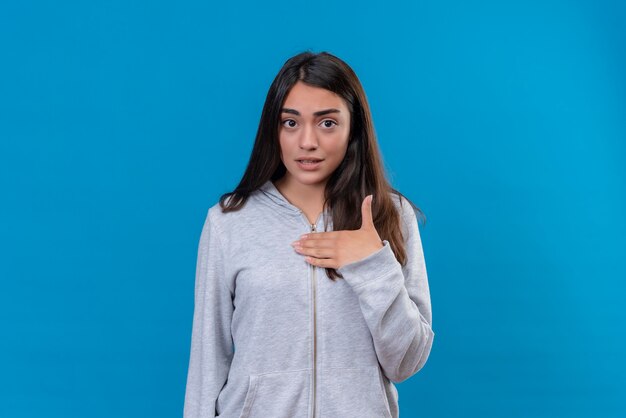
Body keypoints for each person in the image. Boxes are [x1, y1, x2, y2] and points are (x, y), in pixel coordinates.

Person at [183, 51, 435, 418]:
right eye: (290, 123)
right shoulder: (229, 221)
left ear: (354, 129)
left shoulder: (392, 215)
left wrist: (373, 265)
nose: (307, 142)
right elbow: (207, 362)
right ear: (274, 128)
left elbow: (407, 361)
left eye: (327, 123)